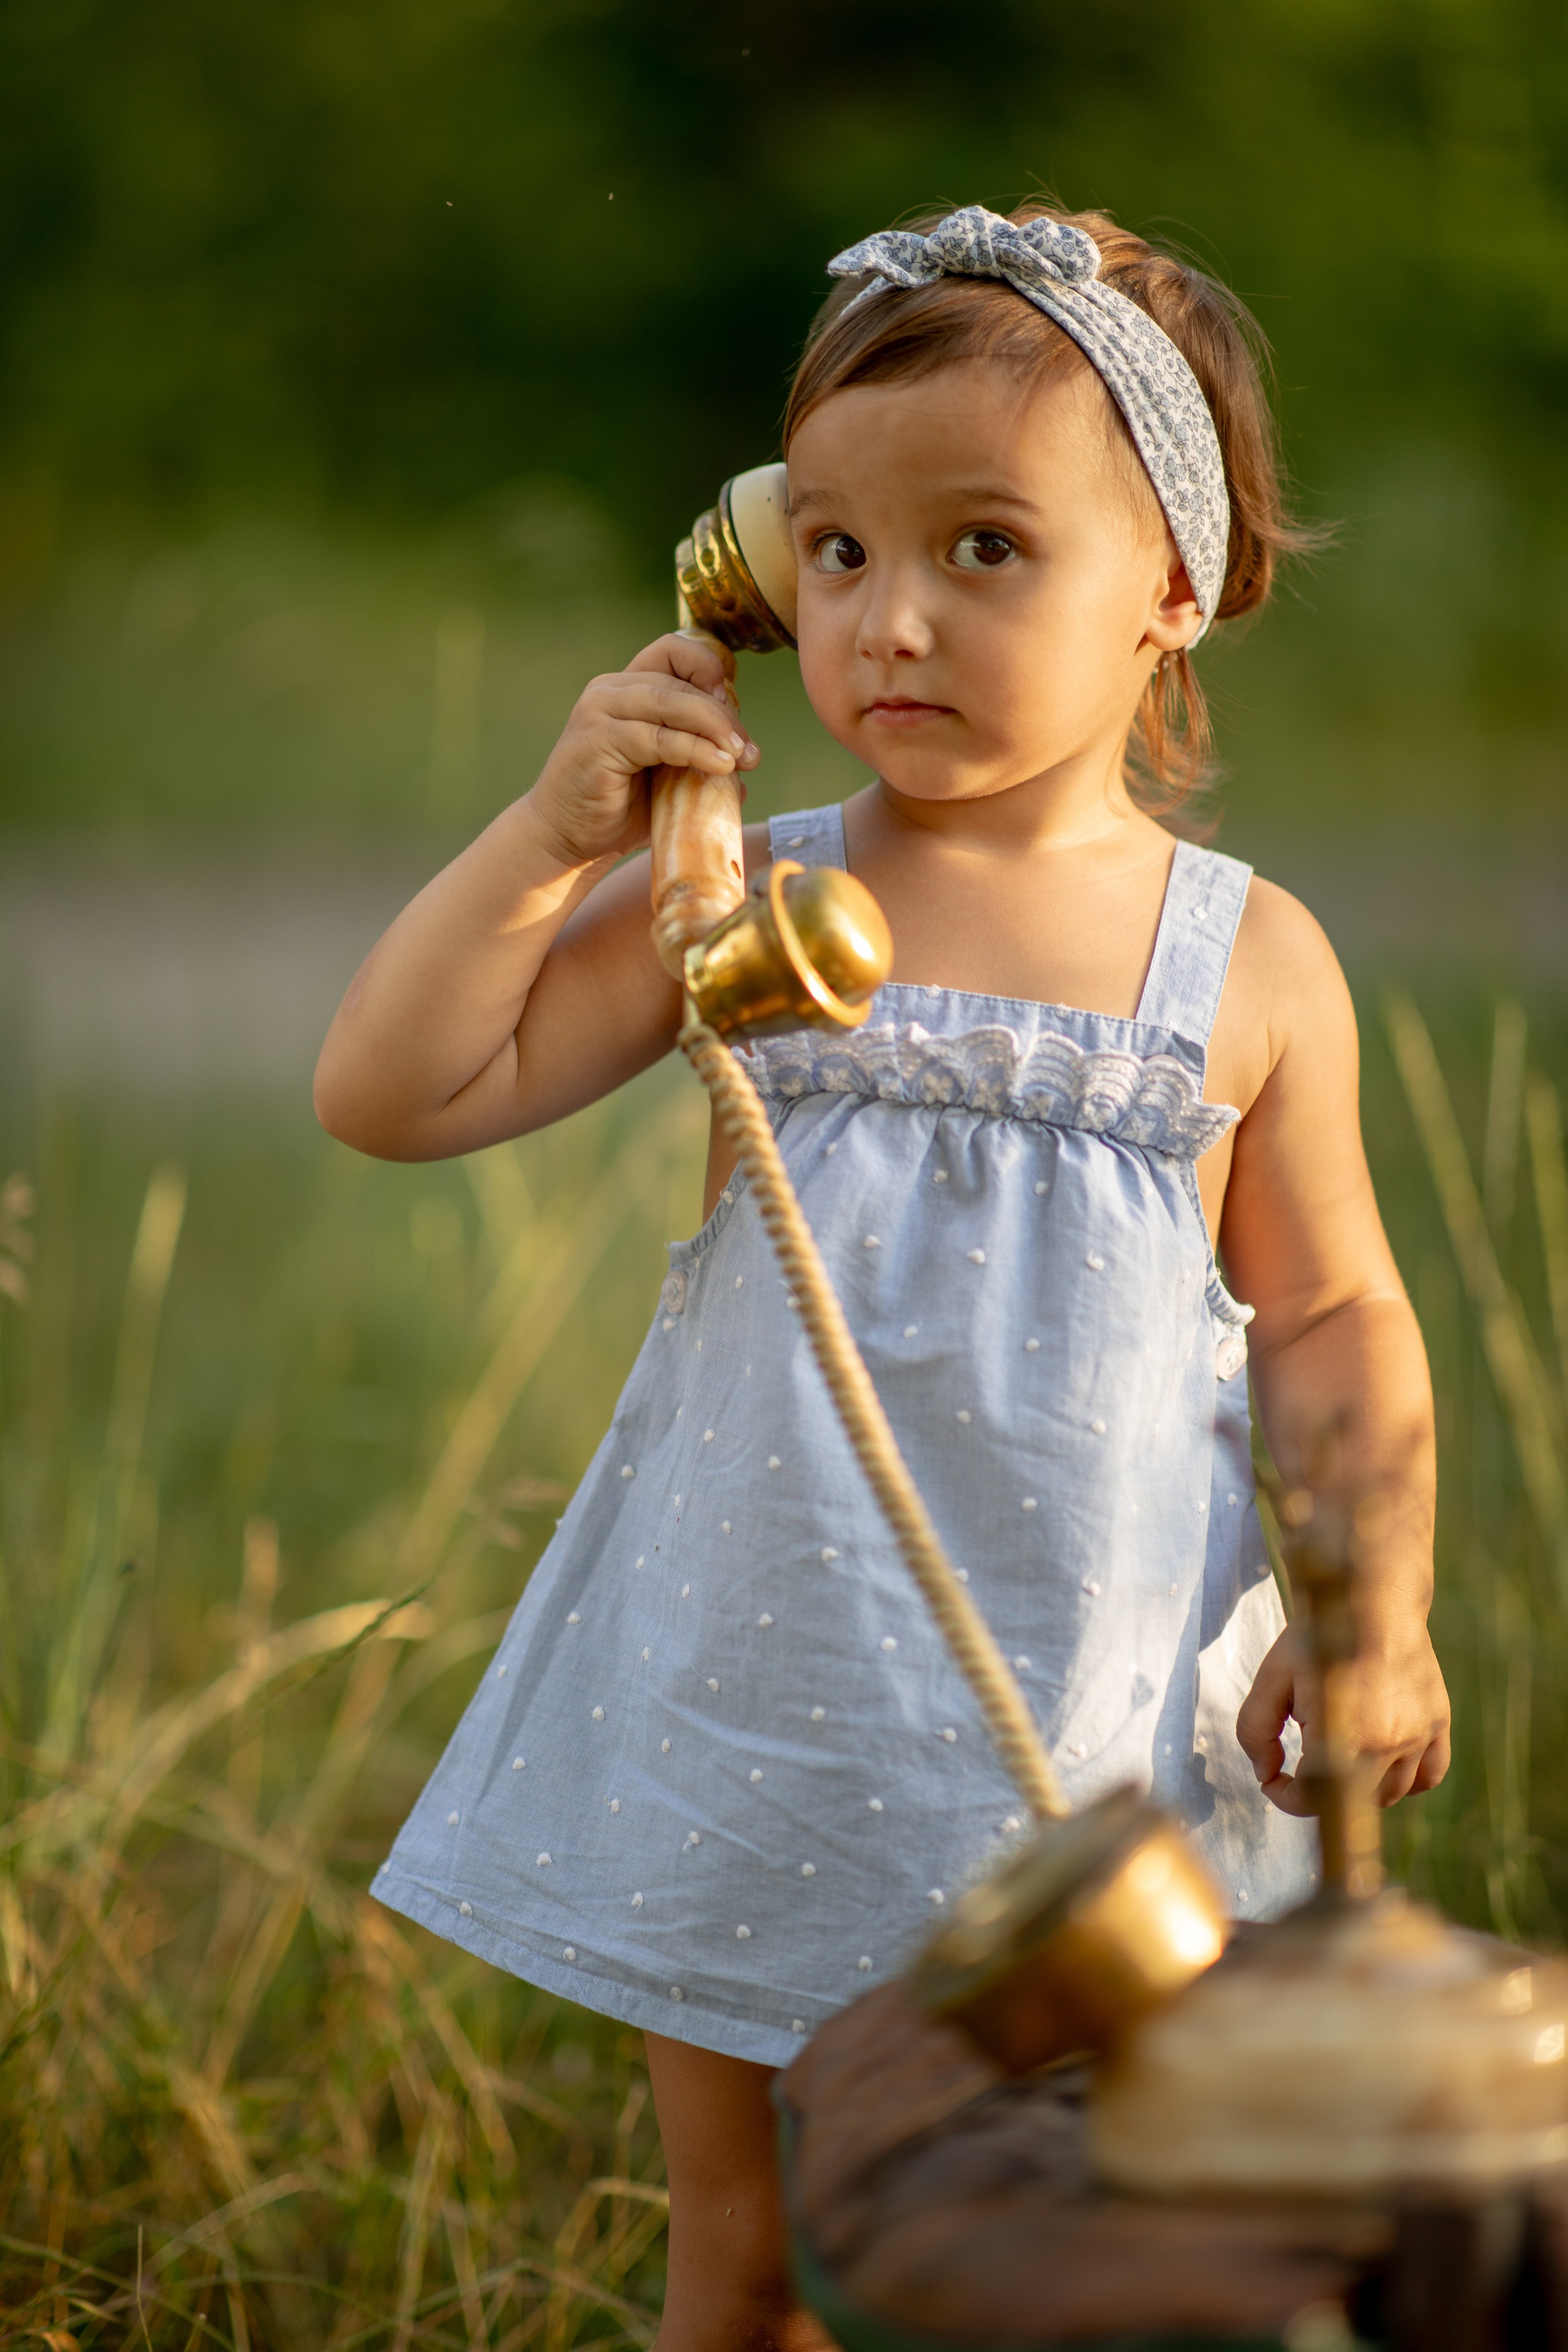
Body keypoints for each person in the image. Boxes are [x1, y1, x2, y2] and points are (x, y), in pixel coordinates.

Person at [314, 201, 1452, 2352]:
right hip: (764, 1703)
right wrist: (561, 833)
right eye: (833, 554)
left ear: (1174, 595)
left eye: (986, 551)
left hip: (1092, 1734)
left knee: (1100, 2253)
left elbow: (1332, 1316)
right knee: (750, 2264)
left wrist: (1370, 1607)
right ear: (759, 567)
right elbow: (397, 1091)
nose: (892, 621)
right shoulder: (748, 899)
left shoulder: (1248, 964)